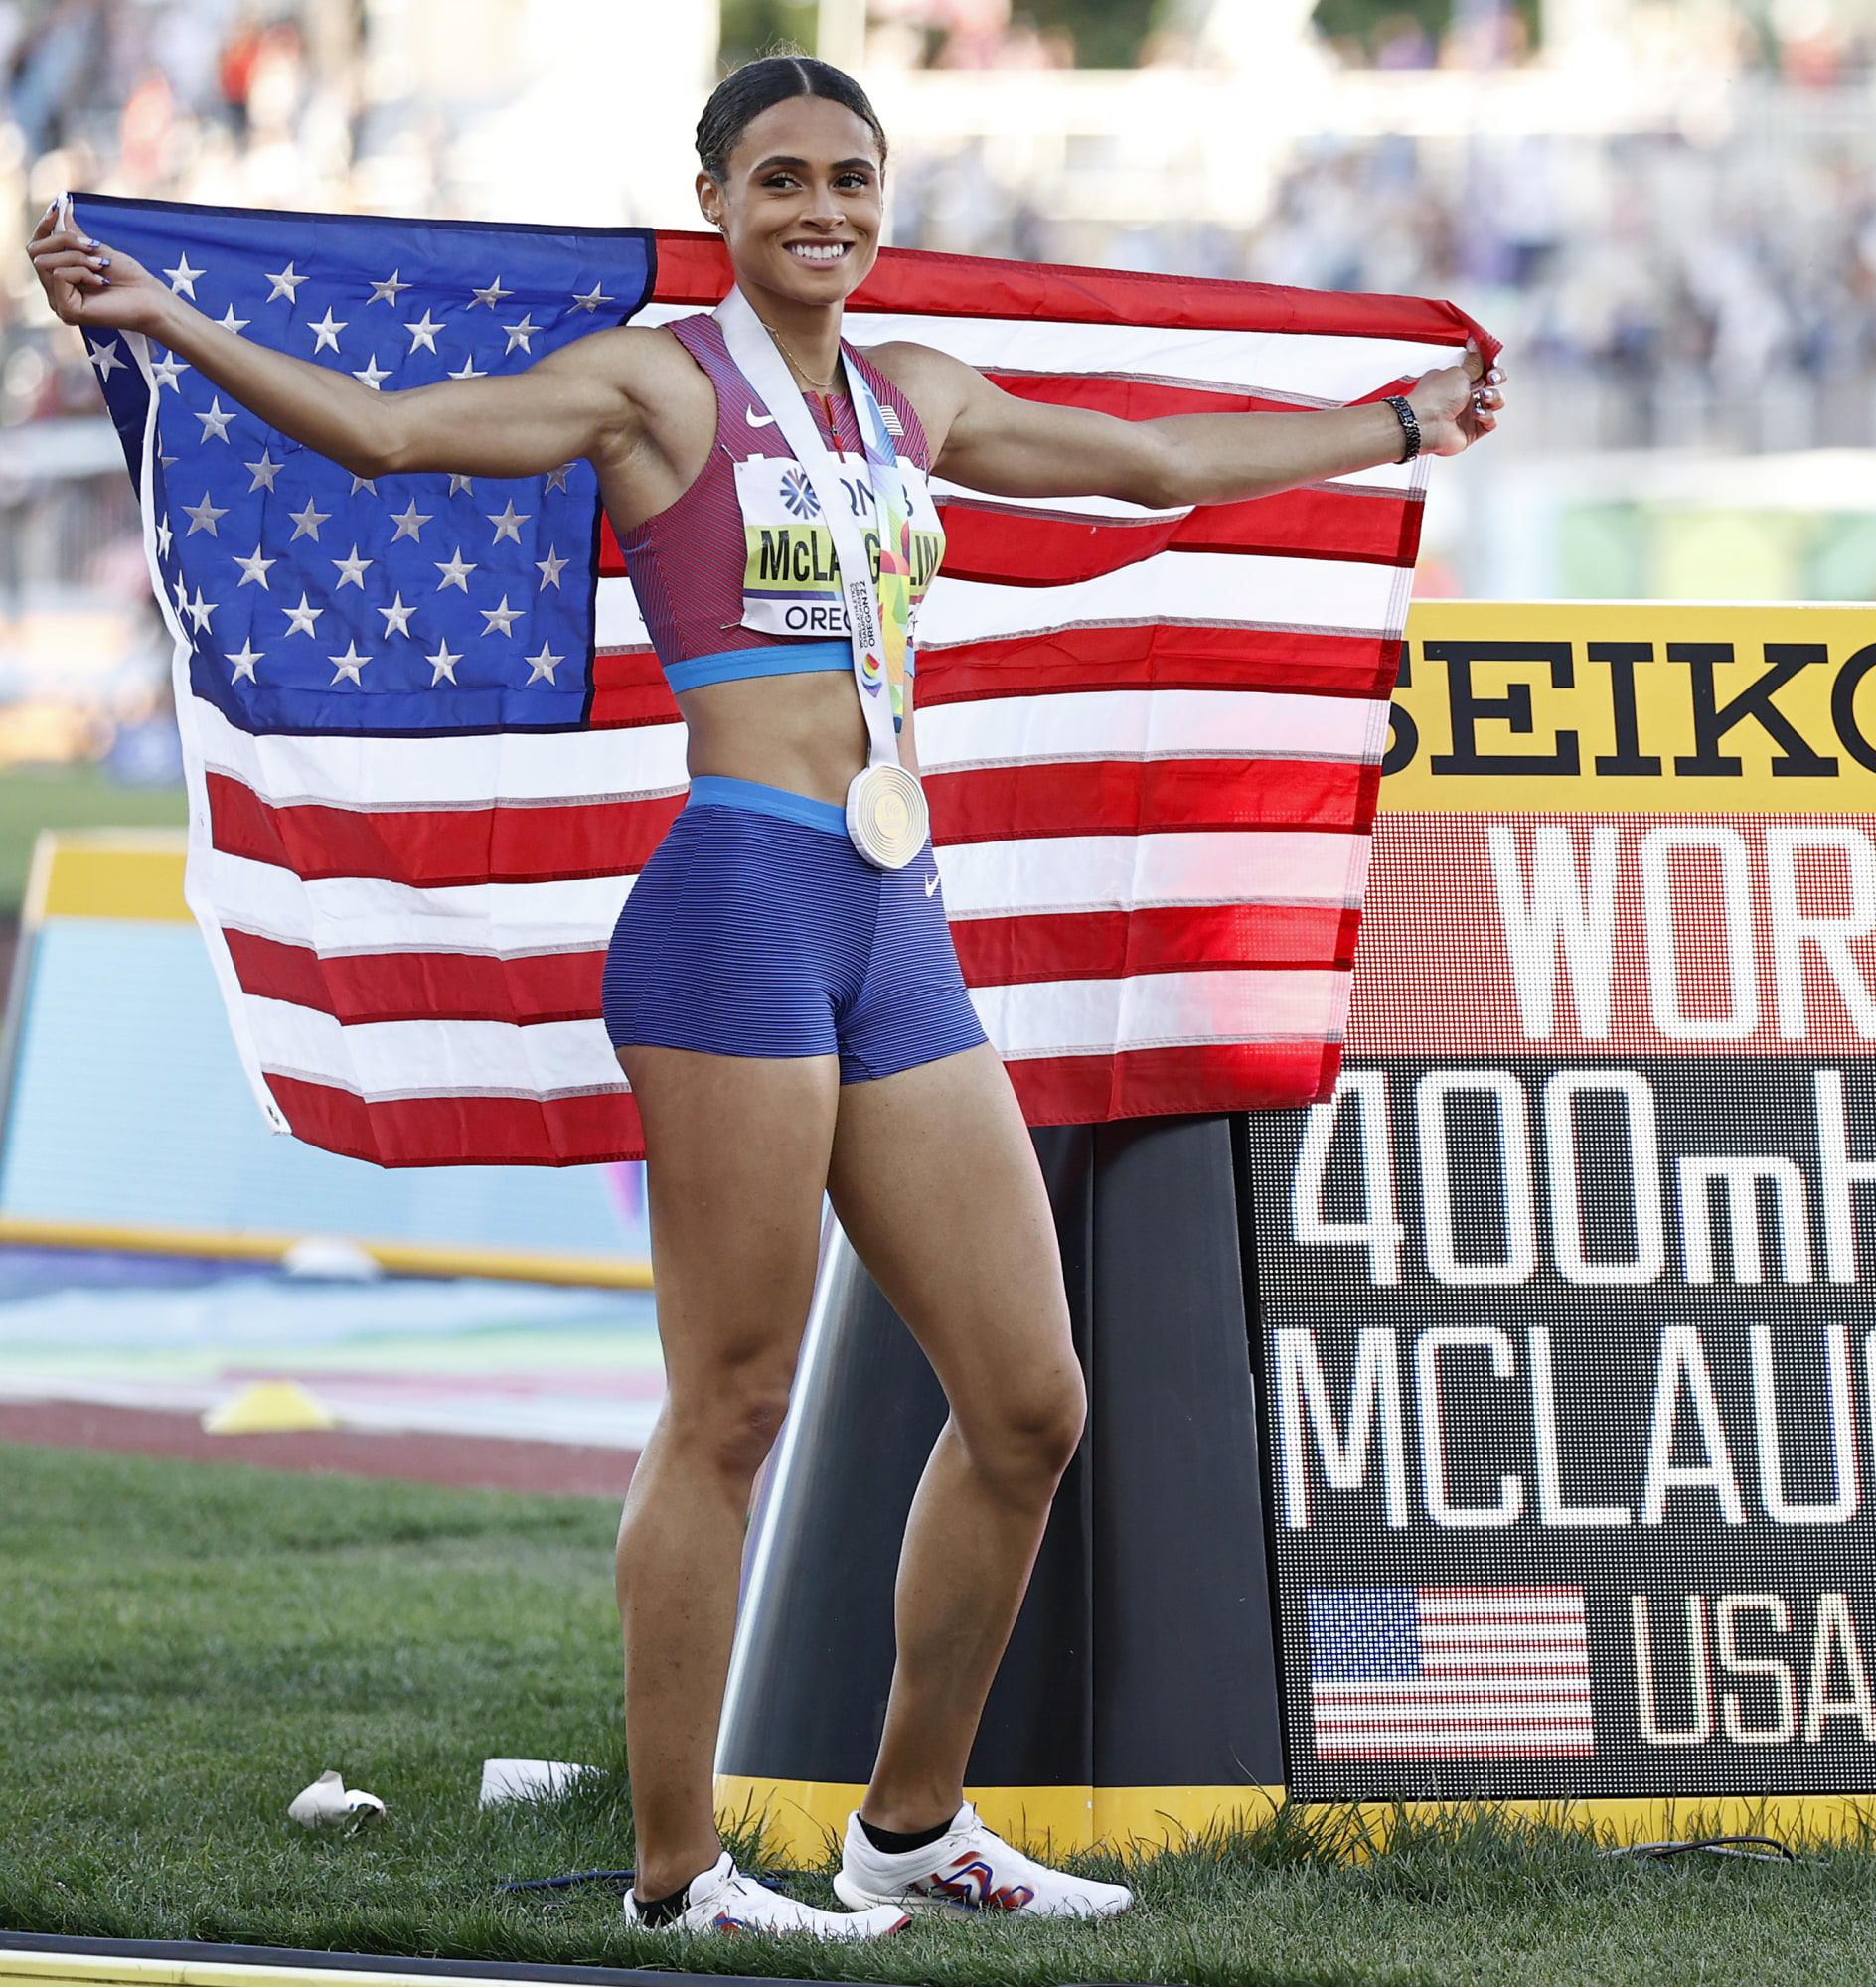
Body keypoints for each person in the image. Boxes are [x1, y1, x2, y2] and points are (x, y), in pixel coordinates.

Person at [25, 54, 1497, 1939]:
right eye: (785, 177)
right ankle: (675, 1876)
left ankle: (909, 1830)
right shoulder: (661, 383)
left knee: (1031, 1403)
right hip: (734, 909)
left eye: (854, 179)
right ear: (717, 200)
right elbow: (392, 435)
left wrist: (1395, 422)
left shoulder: (916, 396)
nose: (826, 209)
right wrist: (169, 316)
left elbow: (1153, 465)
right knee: (729, 1407)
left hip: (895, 917)